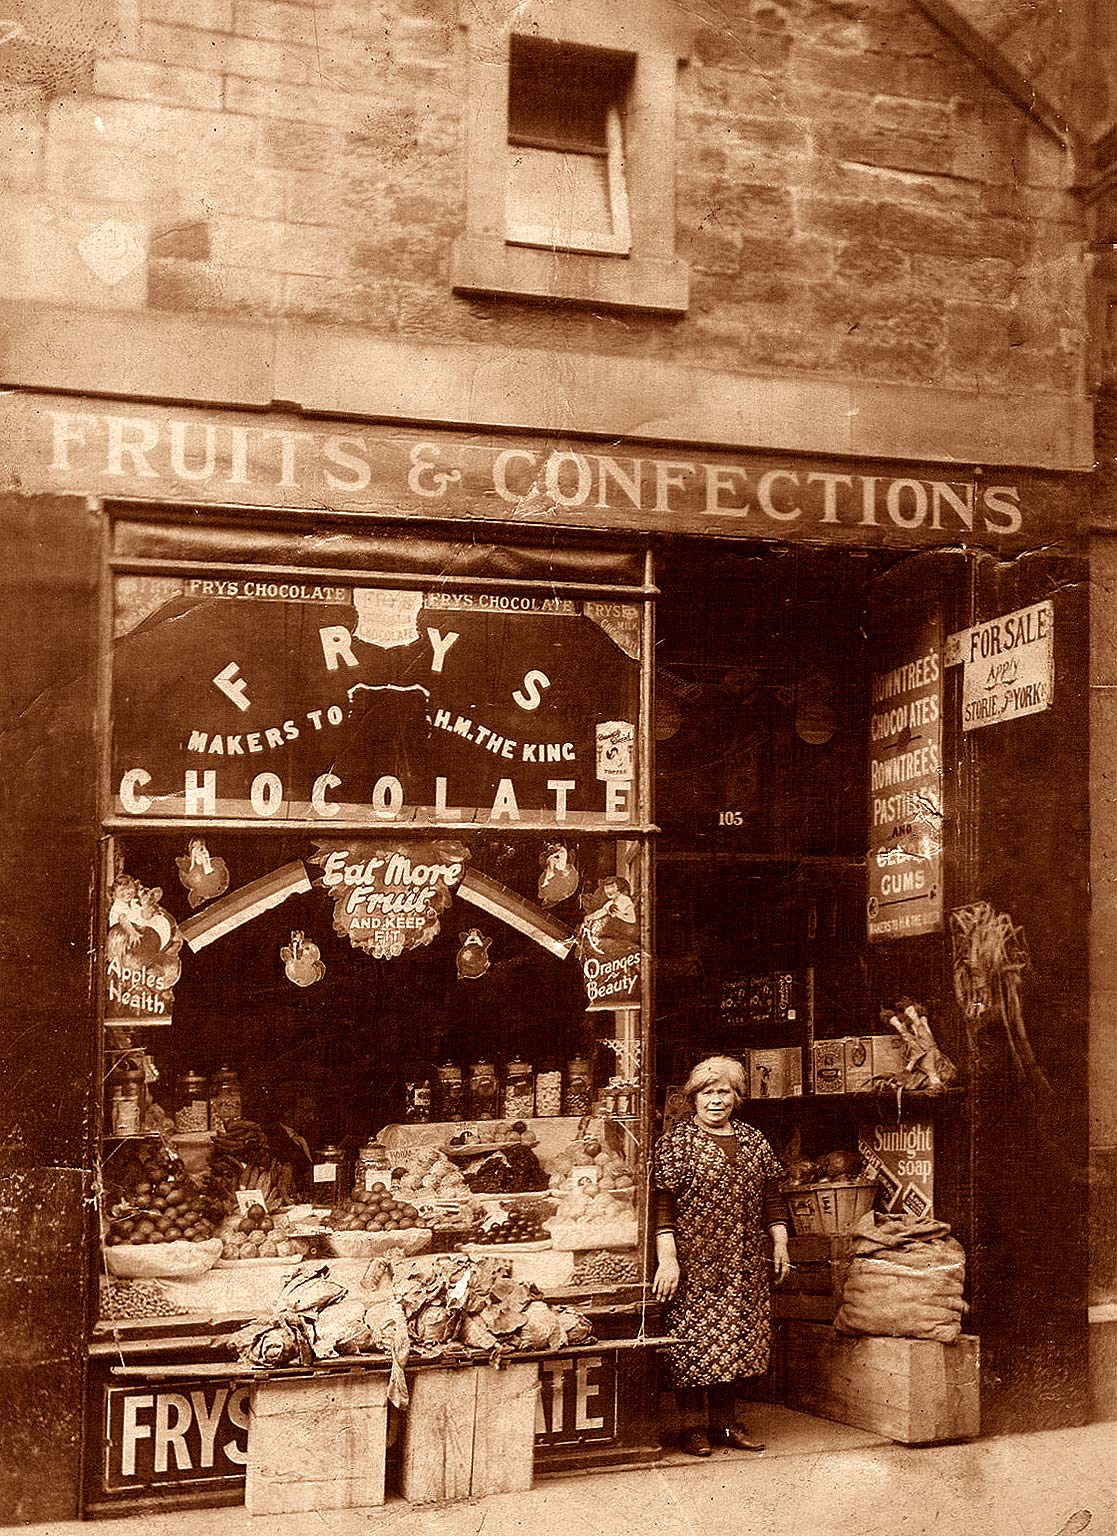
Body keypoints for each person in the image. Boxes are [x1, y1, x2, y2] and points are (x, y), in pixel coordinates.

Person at [652, 1054, 792, 1457]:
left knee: (736, 1339)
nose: (717, 1100)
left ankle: (726, 1424)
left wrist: (780, 1242)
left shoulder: (753, 1140)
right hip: (695, 1262)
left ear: (737, 1097)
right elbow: (663, 1205)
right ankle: (693, 1427)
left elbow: (771, 1196)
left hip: (744, 1261)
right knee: (694, 1342)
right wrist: (668, 1259)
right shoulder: (677, 1142)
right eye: (708, 1093)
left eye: (725, 1092)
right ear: (694, 1098)